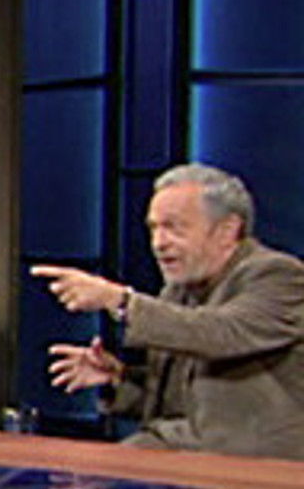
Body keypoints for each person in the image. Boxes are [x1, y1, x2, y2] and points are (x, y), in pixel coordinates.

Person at [34, 163, 304, 459]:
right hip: (177, 450)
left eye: (174, 228)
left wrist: (121, 301)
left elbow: (222, 333)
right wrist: (120, 379)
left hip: (256, 465)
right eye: (154, 229)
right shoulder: (179, 291)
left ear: (227, 231)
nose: (158, 243)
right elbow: (183, 401)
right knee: (62, 468)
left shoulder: (278, 275)